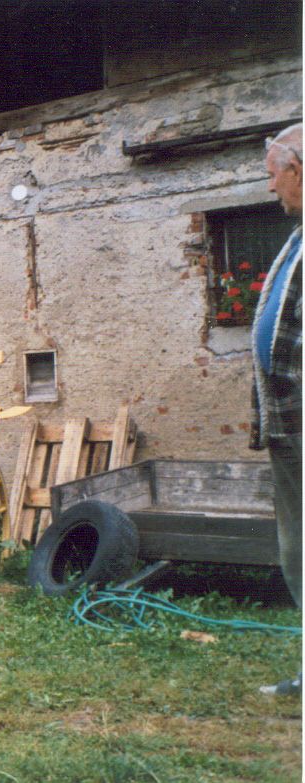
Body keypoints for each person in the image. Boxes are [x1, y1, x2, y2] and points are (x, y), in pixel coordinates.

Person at [252, 123, 302, 697]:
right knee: (297, 548)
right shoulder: (296, 240)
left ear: (298, 170)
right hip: (290, 422)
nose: (270, 189)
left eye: (272, 175)